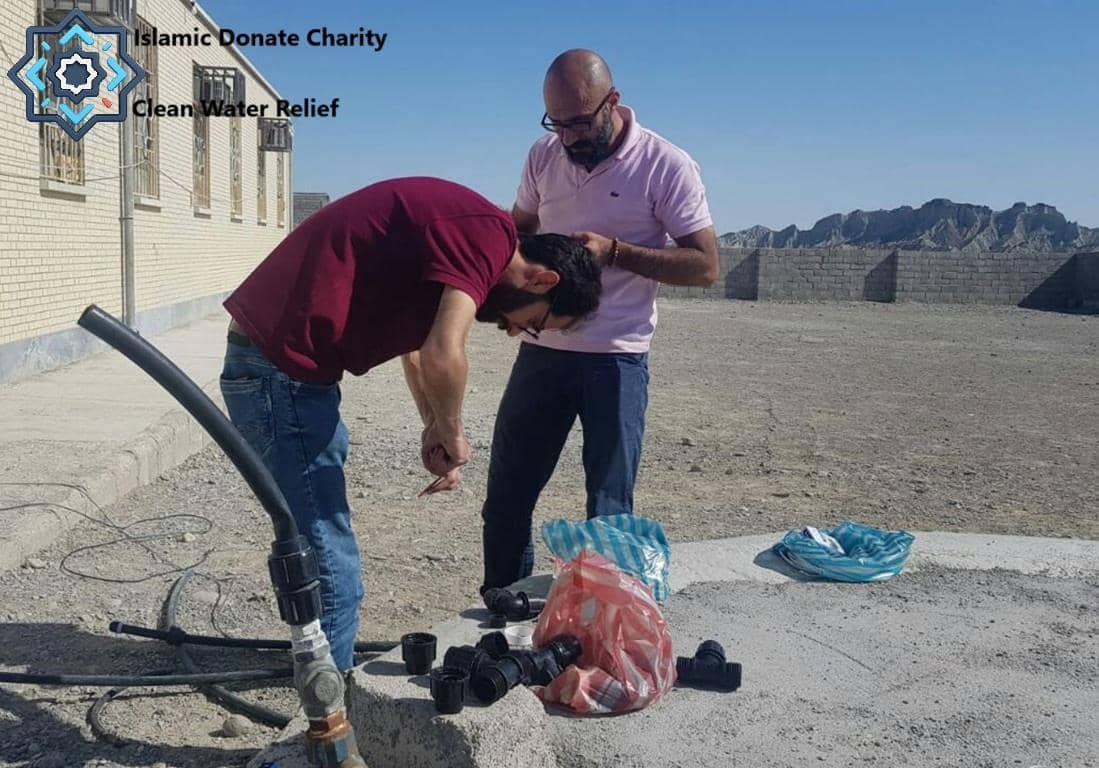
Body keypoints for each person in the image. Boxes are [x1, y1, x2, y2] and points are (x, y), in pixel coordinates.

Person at [220, 176, 602, 670]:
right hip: (279, 377)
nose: (515, 331)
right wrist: (454, 431)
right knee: (333, 569)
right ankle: (329, 724)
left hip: (286, 376)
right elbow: (445, 351)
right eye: (533, 323)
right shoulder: (489, 236)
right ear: (542, 280)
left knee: (322, 553)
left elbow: (419, 349)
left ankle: (321, 678)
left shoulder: (463, 247)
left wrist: (433, 425)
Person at [480, 50, 720, 591]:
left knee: (609, 513)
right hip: (542, 354)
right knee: (506, 498)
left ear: (612, 102)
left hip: (617, 359)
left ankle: (599, 626)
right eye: (556, 124)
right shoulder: (543, 156)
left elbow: (705, 266)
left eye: (579, 123)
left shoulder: (666, 164)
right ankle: (502, 607)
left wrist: (614, 252)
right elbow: (514, 233)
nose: (566, 137)